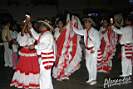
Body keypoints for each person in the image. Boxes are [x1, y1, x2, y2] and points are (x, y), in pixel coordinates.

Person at [10, 21, 40, 89]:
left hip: (32, 52)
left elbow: (36, 39)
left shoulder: (31, 34)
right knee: (25, 68)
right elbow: (22, 33)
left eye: (28, 28)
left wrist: (30, 28)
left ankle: (32, 82)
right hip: (25, 53)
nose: (27, 29)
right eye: (26, 28)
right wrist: (26, 23)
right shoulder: (21, 34)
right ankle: (24, 82)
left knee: (33, 68)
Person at [72, 16, 100, 85]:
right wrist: (72, 25)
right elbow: (77, 31)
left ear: (91, 23)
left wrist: (94, 49)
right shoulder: (85, 31)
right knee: (88, 65)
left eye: (87, 22)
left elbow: (98, 42)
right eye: (85, 23)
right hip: (87, 50)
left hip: (93, 50)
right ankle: (90, 78)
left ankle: (94, 79)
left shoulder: (95, 31)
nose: (86, 24)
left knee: (93, 65)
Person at [52, 16, 82, 81]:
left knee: (64, 61)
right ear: (57, 24)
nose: (60, 24)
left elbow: (69, 35)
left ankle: (63, 74)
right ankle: (57, 74)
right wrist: (68, 23)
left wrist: (72, 24)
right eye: (59, 23)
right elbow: (61, 32)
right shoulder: (57, 30)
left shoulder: (65, 30)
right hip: (58, 48)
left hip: (62, 48)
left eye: (61, 23)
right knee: (58, 62)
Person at [29, 20, 56, 89]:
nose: (39, 27)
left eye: (41, 25)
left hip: (46, 58)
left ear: (45, 27)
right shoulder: (44, 34)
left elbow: (45, 45)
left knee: (44, 77)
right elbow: (36, 36)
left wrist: (34, 46)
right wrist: (31, 28)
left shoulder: (47, 34)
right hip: (44, 57)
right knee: (45, 76)